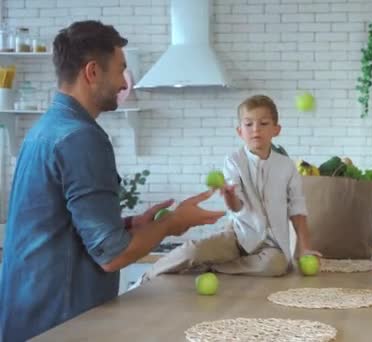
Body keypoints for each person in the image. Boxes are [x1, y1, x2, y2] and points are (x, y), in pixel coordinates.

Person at [0, 21, 225, 342]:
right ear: (92, 72)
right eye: (120, 70)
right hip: (61, 322)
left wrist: (132, 223)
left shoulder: (45, 129)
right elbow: (112, 256)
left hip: (28, 317)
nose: (124, 83)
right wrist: (171, 223)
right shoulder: (81, 138)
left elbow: (62, 224)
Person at [140, 95, 319, 281]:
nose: (256, 129)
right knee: (193, 251)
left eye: (263, 123)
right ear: (240, 131)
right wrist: (229, 196)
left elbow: (297, 208)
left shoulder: (287, 166)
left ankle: (214, 268)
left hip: (271, 244)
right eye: (248, 124)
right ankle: (147, 277)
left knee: (277, 265)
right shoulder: (234, 161)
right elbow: (237, 206)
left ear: (276, 129)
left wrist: (304, 247)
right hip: (238, 235)